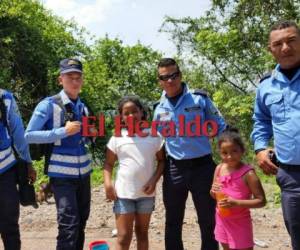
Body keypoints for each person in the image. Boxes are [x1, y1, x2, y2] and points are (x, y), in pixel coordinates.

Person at [153, 58, 226, 250]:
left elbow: (220, 125)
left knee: (208, 219)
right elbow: (156, 141)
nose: (170, 80)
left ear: (180, 75)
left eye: (173, 75)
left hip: (203, 167)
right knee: (173, 221)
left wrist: (228, 163)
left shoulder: (199, 98)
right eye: (165, 77)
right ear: (159, 81)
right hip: (174, 168)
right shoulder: (158, 108)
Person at [25, 58, 92, 250]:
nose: (74, 80)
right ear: (60, 80)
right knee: (69, 225)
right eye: (69, 76)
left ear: (82, 80)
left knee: (81, 222)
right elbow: (28, 135)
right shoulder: (48, 105)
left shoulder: (83, 107)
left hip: (84, 175)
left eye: (78, 76)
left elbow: (83, 141)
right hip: (61, 176)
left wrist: (90, 136)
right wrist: (62, 131)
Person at [251, 20, 300, 250]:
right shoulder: (266, 87)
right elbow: (261, 120)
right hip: (290, 175)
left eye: (291, 41)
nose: (286, 48)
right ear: (270, 49)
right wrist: (260, 148)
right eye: (278, 44)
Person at [104, 96, 165, 250]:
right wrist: (108, 184)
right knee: (124, 237)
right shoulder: (117, 138)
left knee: (142, 234)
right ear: (121, 117)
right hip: (123, 194)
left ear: (141, 112)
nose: (131, 116)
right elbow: (108, 164)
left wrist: (154, 181)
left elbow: (162, 161)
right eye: (126, 113)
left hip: (146, 195)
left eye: (134, 111)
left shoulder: (154, 136)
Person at [210, 128, 266, 250]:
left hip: (240, 223)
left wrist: (236, 202)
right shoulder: (219, 168)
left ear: (242, 151)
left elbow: (261, 201)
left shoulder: (248, 174)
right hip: (222, 220)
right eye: (224, 153)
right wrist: (213, 191)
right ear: (219, 153)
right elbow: (214, 195)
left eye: (234, 151)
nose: (229, 156)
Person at [0, 88, 36, 250]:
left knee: (10, 225)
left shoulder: (5, 97)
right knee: (10, 226)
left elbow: (18, 132)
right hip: (6, 171)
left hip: (6, 169)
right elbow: (18, 132)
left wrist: (27, 162)